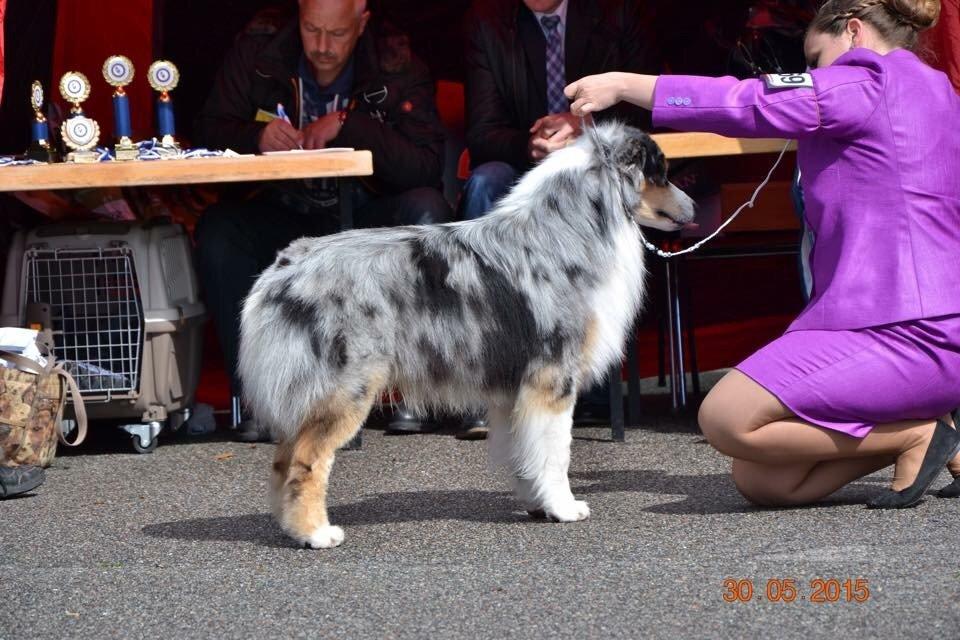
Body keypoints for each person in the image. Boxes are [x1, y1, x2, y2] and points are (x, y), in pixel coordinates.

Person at [567, 0, 960, 507]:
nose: (813, 75)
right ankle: (923, 429)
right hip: (935, 328)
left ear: (855, 32)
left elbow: (744, 100)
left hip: (902, 330)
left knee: (725, 416)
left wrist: (625, 84)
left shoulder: (862, 81)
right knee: (763, 480)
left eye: (817, 59)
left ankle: (917, 436)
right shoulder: (941, 91)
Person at [194, 0, 452, 441]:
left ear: (363, 22)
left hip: (364, 217)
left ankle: (415, 393)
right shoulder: (259, 49)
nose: (322, 47)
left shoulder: (397, 59)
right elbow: (206, 131)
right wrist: (255, 137)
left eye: (336, 34)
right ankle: (256, 398)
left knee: (427, 212)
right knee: (218, 231)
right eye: (312, 30)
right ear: (297, 16)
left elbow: (426, 165)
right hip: (282, 210)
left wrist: (349, 126)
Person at [455, 0, 661, 438]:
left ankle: (593, 385)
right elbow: (482, 130)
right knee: (484, 185)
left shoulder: (616, 13)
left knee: (607, 202)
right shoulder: (487, 20)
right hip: (522, 164)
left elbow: (647, 111)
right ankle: (486, 384)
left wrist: (584, 125)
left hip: (597, 164)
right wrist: (531, 145)